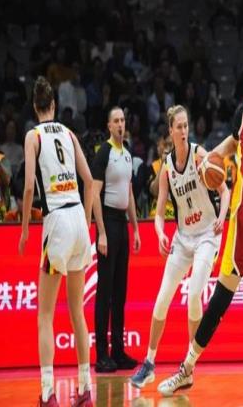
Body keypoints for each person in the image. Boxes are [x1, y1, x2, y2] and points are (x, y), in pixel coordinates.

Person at [157, 59, 243, 399]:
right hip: (241, 224)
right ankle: (186, 368)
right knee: (219, 302)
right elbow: (232, 144)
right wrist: (211, 158)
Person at [130, 105, 230, 387]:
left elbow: (225, 191)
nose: (184, 131)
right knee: (162, 299)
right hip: (183, 239)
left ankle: (188, 367)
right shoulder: (166, 168)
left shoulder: (200, 156)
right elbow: (159, 213)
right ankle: (149, 363)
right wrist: (160, 233)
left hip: (207, 235)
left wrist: (222, 217)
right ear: (170, 131)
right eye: (179, 127)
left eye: (186, 126)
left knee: (195, 293)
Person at [18, 76, 94, 406]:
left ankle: (48, 393)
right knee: (77, 311)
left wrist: (24, 230)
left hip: (57, 222)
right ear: (53, 105)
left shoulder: (33, 136)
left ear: (35, 107)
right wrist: (87, 222)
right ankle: (85, 390)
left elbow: (28, 188)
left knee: (45, 314)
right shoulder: (68, 133)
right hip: (78, 217)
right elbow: (89, 180)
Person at [92, 107, 141, 373]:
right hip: (108, 223)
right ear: (109, 126)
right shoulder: (104, 152)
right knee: (105, 292)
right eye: (116, 121)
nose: (121, 124)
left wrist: (135, 228)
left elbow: (129, 193)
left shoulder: (127, 153)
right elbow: (94, 194)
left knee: (120, 292)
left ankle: (118, 352)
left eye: (123, 120)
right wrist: (100, 232)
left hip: (121, 224)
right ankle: (102, 354)